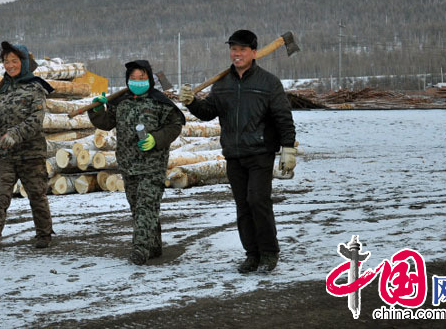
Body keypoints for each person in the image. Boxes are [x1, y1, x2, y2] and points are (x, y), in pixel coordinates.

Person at [179, 29, 297, 274]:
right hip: (233, 153)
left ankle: (268, 253)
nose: (237, 53)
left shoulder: (268, 82)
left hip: (260, 152)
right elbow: (208, 112)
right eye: (233, 49)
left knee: (258, 201)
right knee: (243, 206)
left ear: (254, 53)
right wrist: (192, 102)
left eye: (242, 49)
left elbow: (283, 117)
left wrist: (288, 148)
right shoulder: (223, 84)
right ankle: (251, 255)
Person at [88, 59, 185, 265]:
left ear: (149, 79)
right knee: (137, 207)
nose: (137, 81)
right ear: (127, 80)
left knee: (146, 206)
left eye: (142, 77)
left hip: (153, 165)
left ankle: (140, 250)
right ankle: (154, 245)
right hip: (128, 165)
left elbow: (175, 125)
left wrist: (156, 139)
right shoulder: (120, 102)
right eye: (133, 78)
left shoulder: (159, 101)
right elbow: (106, 123)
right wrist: (97, 110)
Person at [0, 41, 55, 255]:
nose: (9, 65)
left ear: (24, 62)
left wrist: (15, 134)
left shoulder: (35, 87)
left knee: (37, 195)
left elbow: (36, 120)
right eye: (6, 61)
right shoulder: (1, 89)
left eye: (14, 61)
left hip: (31, 153)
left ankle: (44, 234)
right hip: (5, 154)